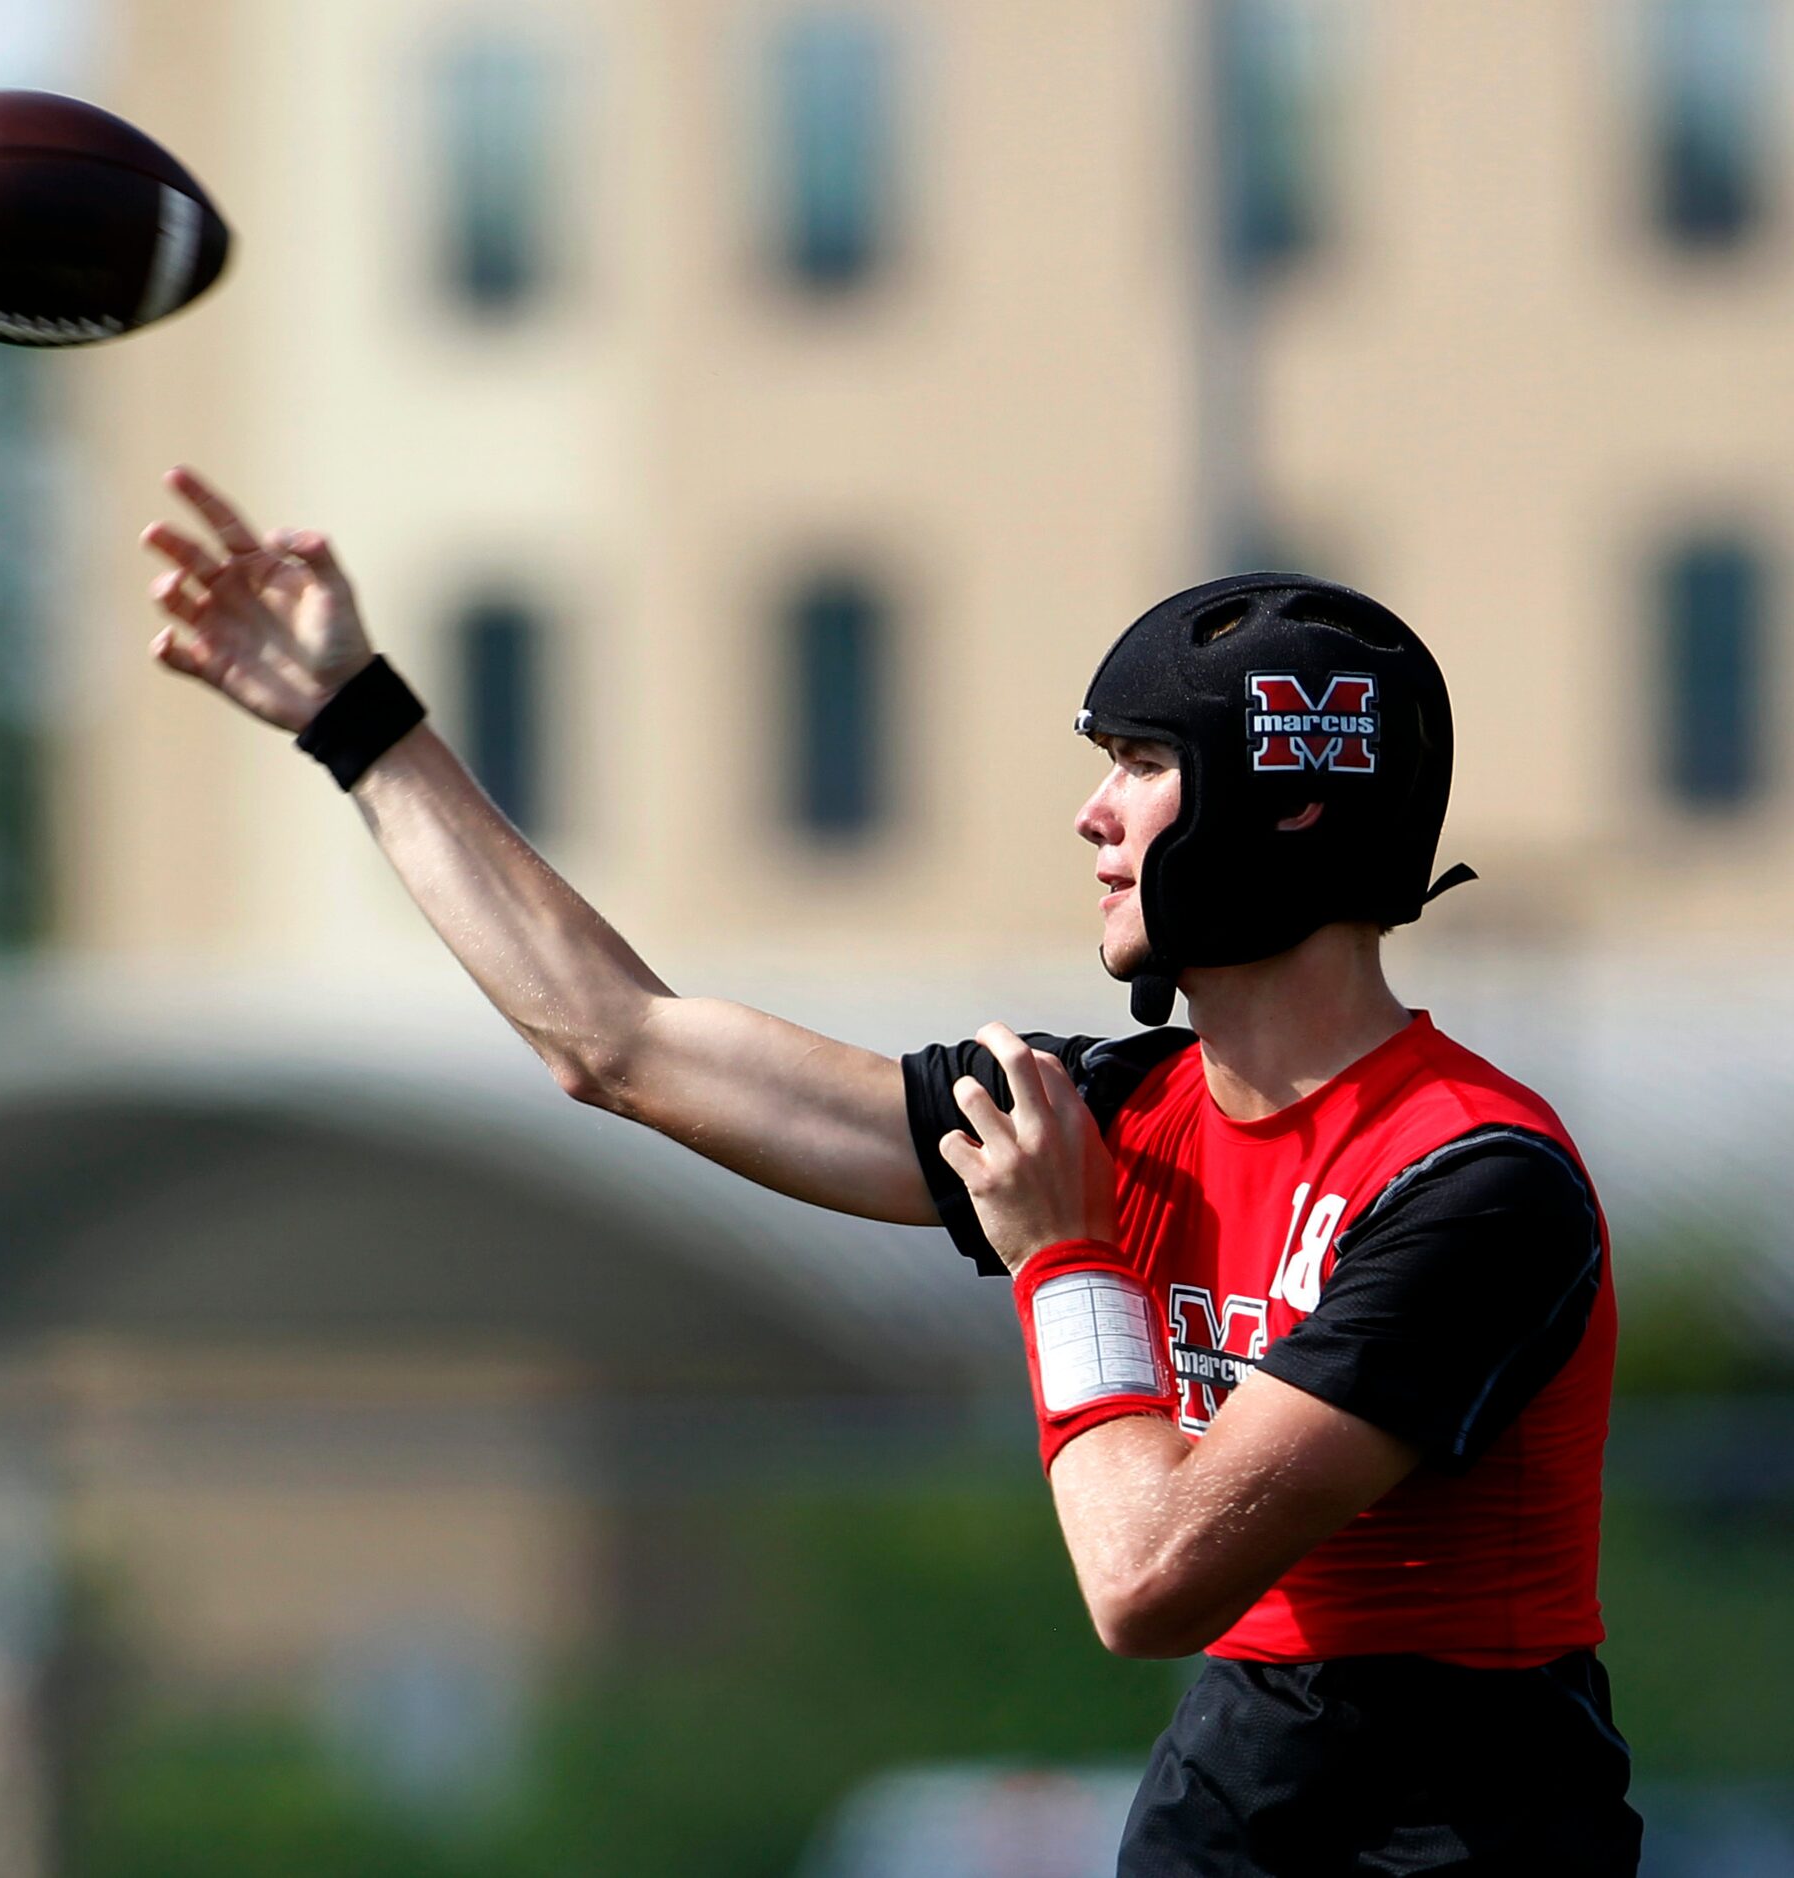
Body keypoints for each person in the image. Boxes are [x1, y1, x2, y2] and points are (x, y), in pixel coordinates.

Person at [140, 466, 1643, 1875]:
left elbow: (1149, 1576)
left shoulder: (1478, 1181)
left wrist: (1065, 1259)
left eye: (1142, 762)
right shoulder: (1116, 1107)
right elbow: (620, 1043)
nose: (1092, 814)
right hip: (1244, 1785)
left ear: (1295, 799)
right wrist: (356, 719)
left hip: (1459, 1817)